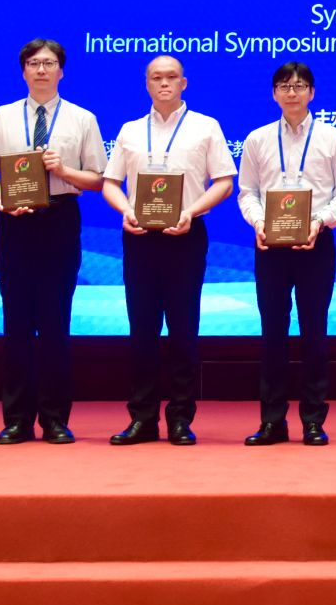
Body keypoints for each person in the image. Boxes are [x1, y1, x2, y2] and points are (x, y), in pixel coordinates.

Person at [0, 38, 106, 445]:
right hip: (14, 222)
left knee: (54, 322)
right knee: (15, 322)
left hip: (59, 220)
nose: (41, 70)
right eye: (33, 63)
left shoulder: (82, 118)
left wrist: (63, 170)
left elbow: (97, 179)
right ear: (23, 71)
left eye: (48, 63)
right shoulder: (2, 116)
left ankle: (54, 419)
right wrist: (3, 198)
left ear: (61, 71)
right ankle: (16, 419)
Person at [100, 56, 236, 445]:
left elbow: (224, 181)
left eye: (171, 77)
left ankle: (180, 418)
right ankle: (142, 418)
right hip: (140, 237)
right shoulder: (129, 130)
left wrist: (191, 211)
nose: (164, 83)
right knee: (142, 330)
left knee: (183, 330)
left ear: (184, 83)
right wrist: (126, 211)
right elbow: (110, 183)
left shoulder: (205, 127)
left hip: (186, 235)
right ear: (146, 84)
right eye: (156, 78)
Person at [237, 62, 336, 446]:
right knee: (272, 333)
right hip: (270, 246)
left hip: (316, 244)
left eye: (300, 86)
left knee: (313, 333)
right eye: (285, 86)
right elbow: (247, 192)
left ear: (312, 93)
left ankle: (313, 421)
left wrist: (318, 221)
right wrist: (259, 222)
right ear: (274, 94)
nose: (292, 92)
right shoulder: (257, 139)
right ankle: (272, 421)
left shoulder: (334, 138)